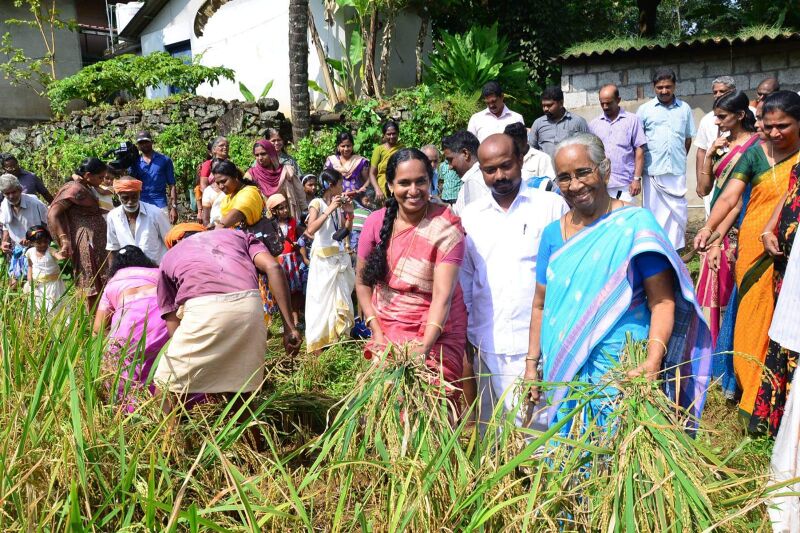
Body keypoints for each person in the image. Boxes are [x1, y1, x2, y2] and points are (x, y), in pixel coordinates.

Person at [527, 133, 711, 435]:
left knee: (619, 453)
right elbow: (539, 304)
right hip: (564, 368)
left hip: (621, 369)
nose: (574, 185)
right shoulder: (551, 235)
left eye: (583, 172)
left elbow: (662, 302)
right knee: (568, 455)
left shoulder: (635, 225)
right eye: (564, 178)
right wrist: (532, 364)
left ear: (605, 169)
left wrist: (653, 361)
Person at [694, 91, 800, 433]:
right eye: (768, 126)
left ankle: (784, 406)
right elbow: (730, 196)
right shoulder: (754, 154)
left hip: (792, 255)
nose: (774, 133)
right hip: (754, 254)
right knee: (752, 327)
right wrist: (709, 228)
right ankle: (755, 404)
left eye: (783, 126)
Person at [460, 134, 568, 430]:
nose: (499, 176)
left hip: (537, 345)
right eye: (490, 170)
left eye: (506, 166)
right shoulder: (470, 216)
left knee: (541, 430)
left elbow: (564, 276)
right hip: (487, 341)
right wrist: (469, 337)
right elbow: (467, 278)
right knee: (493, 431)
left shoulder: (551, 208)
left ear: (520, 160)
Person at [356, 148, 467, 403]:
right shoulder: (375, 222)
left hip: (437, 330)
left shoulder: (446, 227)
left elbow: (442, 297)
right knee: (383, 406)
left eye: (421, 181)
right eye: (404, 183)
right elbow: (362, 283)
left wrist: (423, 347)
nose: (414, 190)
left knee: (433, 409)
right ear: (391, 186)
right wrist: (376, 331)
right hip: (386, 326)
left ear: (432, 182)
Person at [155, 225, 302, 409]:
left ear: (175, 242)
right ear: (203, 231)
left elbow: (172, 321)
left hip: (204, 308)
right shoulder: (238, 236)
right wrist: (289, 327)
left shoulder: (170, 256)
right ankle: (254, 437)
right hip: (250, 307)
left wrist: (193, 361)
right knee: (239, 392)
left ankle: (167, 438)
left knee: (165, 384)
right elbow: (273, 266)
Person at [694, 91, 759, 346]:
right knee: (712, 293)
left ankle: (732, 349)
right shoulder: (720, 146)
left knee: (734, 294)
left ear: (741, 115)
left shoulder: (756, 146)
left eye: (722, 117)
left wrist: (717, 236)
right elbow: (703, 189)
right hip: (716, 222)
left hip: (738, 226)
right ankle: (711, 351)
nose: (717, 122)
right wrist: (709, 156)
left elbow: (739, 198)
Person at [93, 245, 170, 412]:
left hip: (127, 327)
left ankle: (131, 412)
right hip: (162, 324)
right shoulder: (159, 273)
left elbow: (98, 328)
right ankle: (171, 410)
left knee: (126, 371)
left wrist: (111, 341)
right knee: (164, 367)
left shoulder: (113, 283)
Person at [637, 68, 696, 249]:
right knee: (654, 212)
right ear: (654, 87)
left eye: (668, 87)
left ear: (674, 86)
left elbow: (687, 139)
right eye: (660, 87)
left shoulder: (684, 109)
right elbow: (638, 142)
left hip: (676, 170)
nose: (664, 91)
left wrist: (678, 157)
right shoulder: (644, 110)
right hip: (653, 172)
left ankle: (676, 248)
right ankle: (656, 246)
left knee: (677, 213)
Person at [304, 168, 355, 353]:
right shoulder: (317, 203)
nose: (343, 187)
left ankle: (338, 343)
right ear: (331, 185)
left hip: (338, 259)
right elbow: (311, 230)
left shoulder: (338, 206)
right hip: (323, 262)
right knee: (321, 303)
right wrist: (330, 210)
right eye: (340, 184)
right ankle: (319, 345)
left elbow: (343, 231)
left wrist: (349, 213)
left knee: (340, 302)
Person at [48, 157, 110, 311]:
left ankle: (105, 318)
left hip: (97, 237)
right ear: (88, 175)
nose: (103, 180)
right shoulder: (75, 190)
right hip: (86, 239)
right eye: (100, 177)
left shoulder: (85, 185)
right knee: (90, 279)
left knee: (102, 276)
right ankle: (94, 321)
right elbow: (53, 213)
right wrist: (64, 240)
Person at [589, 84, 647, 202]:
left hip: (625, 185)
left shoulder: (632, 120)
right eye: (602, 103)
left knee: (624, 219)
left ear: (618, 100)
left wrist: (637, 179)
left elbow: (640, 150)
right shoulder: (594, 124)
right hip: (601, 185)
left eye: (609, 103)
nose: (605, 107)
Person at [693, 77, 739, 213]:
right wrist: (700, 181)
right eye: (715, 92)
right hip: (714, 175)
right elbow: (701, 151)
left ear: (733, 91)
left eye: (722, 91)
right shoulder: (707, 119)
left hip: (739, 175)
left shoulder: (749, 113)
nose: (718, 95)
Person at [106, 176, 171, 264]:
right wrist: (112, 275)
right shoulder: (113, 216)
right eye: (125, 198)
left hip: (156, 269)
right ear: (118, 196)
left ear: (139, 194)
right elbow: (113, 248)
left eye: (134, 197)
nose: (130, 201)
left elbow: (170, 242)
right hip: (129, 271)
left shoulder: (155, 213)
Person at [0, 173, 48, 285]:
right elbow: (6, 226)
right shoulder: (4, 205)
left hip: (37, 247)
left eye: (13, 192)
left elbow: (47, 225)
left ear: (20, 189)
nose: (11, 196)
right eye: (7, 193)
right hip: (16, 249)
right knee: (14, 283)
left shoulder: (34, 203)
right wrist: (4, 242)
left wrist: (31, 238)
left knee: (36, 283)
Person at [244, 139, 306, 221]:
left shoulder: (286, 171)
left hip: (290, 218)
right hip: (266, 222)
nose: (260, 158)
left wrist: (305, 213)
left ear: (271, 153)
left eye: (263, 154)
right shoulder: (251, 175)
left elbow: (300, 193)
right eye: (257, 155)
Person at [266, 193, 304, 328]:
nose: (285, 210)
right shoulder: (270, 225)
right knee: (283, 290)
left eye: (286, 207)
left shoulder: (292, 222)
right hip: (279, 260)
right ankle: (286, 321)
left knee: (295, 290)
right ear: (273, 211)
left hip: (292, 260)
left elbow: (300, 236)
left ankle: (296, 319)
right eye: (281, 208)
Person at [528, 85, 589, 159]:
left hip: (569, 168)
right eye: (543, 106)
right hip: (545, 169)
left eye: (549, 105)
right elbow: (531, 150)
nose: (545, 109)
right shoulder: (538, 123)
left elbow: (588, 148)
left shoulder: (578, 122)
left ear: (561, 103)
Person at [131, 131, 178, 224]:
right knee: (145, 235)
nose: (144, 145)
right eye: (141, 143)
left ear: (151, 142)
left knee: (165, 236)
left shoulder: (164, 160)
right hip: (142, 204)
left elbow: (172, 184)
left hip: (160, 204)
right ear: (138, 145)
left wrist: (174, 207)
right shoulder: (135, 162)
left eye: (146, 141)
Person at [24, 225, 65, 313]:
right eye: (39, 242)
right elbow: (30, 266)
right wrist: (29, 279)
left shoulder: (50, 250)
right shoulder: (30, 253)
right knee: (39, 305)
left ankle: (54, 323)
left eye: (45, 241)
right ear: (31, 243)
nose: (43, 244)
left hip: (53, 284)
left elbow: (59, 256)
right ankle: (41, 323)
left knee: (53, 306)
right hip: (38, 285)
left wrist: (62, 254)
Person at [503, 122, 555, 189]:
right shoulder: (505, 160)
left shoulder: (542, 158)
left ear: (525, 140)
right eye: (509, 144)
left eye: (515, 143)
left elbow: (549, 186)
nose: (512, 147)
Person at [443, 131, 483, 215]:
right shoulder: (470, 181)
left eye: (450, 160)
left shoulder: (476, 181)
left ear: (465, 154)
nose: (450, 167)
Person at [196, 136, 229, 221]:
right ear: (214, 149)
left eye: (227, 145)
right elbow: (203, 186)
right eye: (221, 145)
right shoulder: (208, 164)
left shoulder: (230, 165)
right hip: (211, 202)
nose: (225, 147)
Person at [369, 120, 403, 200]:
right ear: (384, 135)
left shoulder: (402, 149)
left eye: (394, 133)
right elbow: (372, 173)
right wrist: (377, 189)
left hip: (398, 185)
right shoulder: (379, 150)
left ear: (398, 134)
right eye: (388, 134)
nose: (391, 136)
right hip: (382, 188)